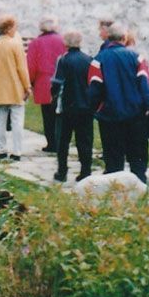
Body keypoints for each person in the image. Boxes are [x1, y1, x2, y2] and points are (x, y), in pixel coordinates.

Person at [89, 20, 149, 180]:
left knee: (113, 161)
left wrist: (96, 110)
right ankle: (141, 189)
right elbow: (144, 85)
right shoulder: (137, 58)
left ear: (109, 38)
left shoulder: (98, 60)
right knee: (138, 159)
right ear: (124, 37)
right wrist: (146, 107)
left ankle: (116, 195)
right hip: (135, 115)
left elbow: (94, 89)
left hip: (110, 116)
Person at [52, 31, 95, 183]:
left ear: (66, 43)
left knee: (63, 140)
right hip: (85, 106)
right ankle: (86, 170)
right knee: (84, 140)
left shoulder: (63, 60)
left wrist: (54, 96)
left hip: (67, 106)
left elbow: (57, 83)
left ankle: (62, 171)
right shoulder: (89, 60)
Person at [0, 15, 32, 160]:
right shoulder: (15, 45)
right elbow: (22, 68)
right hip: (15, 86)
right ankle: (17, 151)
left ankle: (1, 149)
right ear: (8, 28)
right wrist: (27, 86)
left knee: (0, 118)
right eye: (14, 27)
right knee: (17, 120)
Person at [25, 17, 66, 155]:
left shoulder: (36, 43)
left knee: (47, 114)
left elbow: (31, 65)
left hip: (43, 80)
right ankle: (60, 141)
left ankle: (51, 143)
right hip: (61, 79)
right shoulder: (63, 41)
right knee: (59, 113)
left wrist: (30, 82)